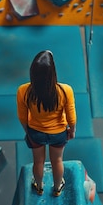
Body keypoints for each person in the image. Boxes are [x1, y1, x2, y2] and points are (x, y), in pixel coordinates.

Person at [17, 50, 76, 197]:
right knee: (57, 161)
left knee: (38, 162)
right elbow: (71, 117)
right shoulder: (65, 90)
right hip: (58, 133)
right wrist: (72, 131)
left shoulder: (23, 91)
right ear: (53, 73)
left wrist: (28, 132)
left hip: (35, 132)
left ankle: (39, 187)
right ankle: (57, 188)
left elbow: (22, 118)